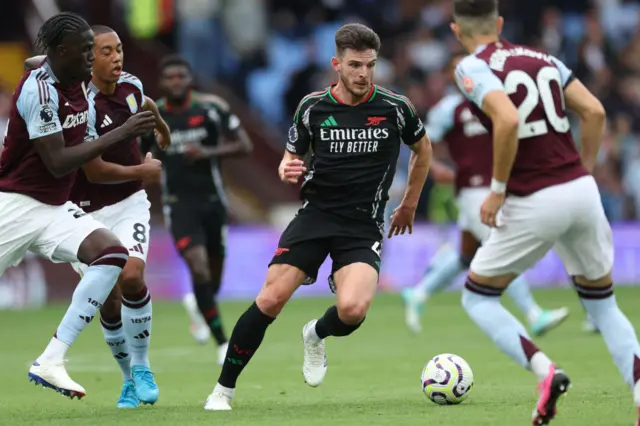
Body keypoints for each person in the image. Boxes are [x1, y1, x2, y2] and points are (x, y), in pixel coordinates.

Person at [203, 23, 432, 411]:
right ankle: (223, 390)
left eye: (370, 65)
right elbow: (292, 155)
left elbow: (423, 151)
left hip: (362, 224)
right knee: (271, 298)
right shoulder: (313, 107)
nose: (364, 74)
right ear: (336, 64)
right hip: (315, 216)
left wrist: (408, 203)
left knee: (353, 310)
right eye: (355, 65)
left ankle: (316, 333)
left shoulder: (396, 108)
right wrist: (286, 168)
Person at [450, 1, 640, 424]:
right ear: (499, 24)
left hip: (533, 197)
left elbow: (507, 119)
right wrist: (583, 172)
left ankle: (544, 371)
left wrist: (497, 190)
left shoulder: (470, 68)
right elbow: (594, 111)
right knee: (603, 305)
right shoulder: (544, 58)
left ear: (456, 30)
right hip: (580, 190)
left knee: (478, 297)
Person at [0, 12, 155, 398]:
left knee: (111, 253)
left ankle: (51, 360)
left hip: (54, 208)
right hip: (16, 205)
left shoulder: (75, 77)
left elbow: (35, 59)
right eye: (85, 50)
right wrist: (120, 133)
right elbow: (58, 160)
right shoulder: (41, 91)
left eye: (94, 49)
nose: (92, 57)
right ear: (62, 52)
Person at [402, 53, 569, 336]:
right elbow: (421, 143)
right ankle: (533, 312)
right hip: (471, 190)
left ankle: (419, 293)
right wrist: (436, 168)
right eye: (455, 70)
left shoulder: (493, 103)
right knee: (501, 247)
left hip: (495, 187)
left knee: (467, 256)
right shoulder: (449, 109)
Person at [65, 25, 170, 408]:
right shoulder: (80, 104)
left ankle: (142, 367)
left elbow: (148, 105)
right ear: (89, 58)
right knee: (108, 301)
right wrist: (143, 171)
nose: (117, 58)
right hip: (84, 213)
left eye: (119, 49)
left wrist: (162, 129)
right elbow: (94, 171)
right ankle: (127, 379)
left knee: (131, 274)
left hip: (129, 203)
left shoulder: (130, 85)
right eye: (106, 52)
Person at [140, 55, 253, 365]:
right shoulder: (153, 115)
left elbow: (245, 145)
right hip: (178, 206)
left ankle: (198, 306)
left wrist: (208, 151)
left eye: (181, 76)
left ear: (189, 79)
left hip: (214, 201)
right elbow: (138, 156)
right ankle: (222, 341)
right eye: (170, 77)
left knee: (212, 280)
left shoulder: (211, 108)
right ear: (162, 82)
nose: (176, 82)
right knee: (199, 267)